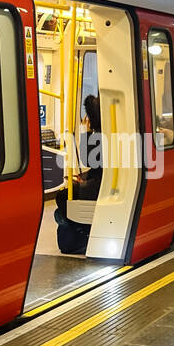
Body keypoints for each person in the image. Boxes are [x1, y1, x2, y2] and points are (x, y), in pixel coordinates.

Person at [53, 94, 103, 254]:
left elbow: (87, 160)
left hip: (98, 187)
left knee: (62, 197)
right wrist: (83, 177)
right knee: (60, 210)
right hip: (99, 181)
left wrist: (85, 132)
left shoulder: (97, 136)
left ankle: (82, 229)